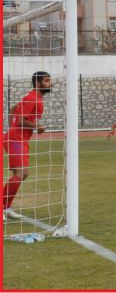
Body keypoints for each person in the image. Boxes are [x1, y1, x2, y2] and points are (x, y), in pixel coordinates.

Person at [3, 71, 51, 221]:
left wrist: (12, 127)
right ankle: (3, 207)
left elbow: (13, 110)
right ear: (38, 84)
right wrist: (38, 126)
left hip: (19, 140)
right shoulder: (32, 99)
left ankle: (5, 207)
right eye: (47, 81)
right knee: (22, 173)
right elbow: (22, 121)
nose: (50, 83)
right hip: (15, 140)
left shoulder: (34, 98)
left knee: (21, 174)